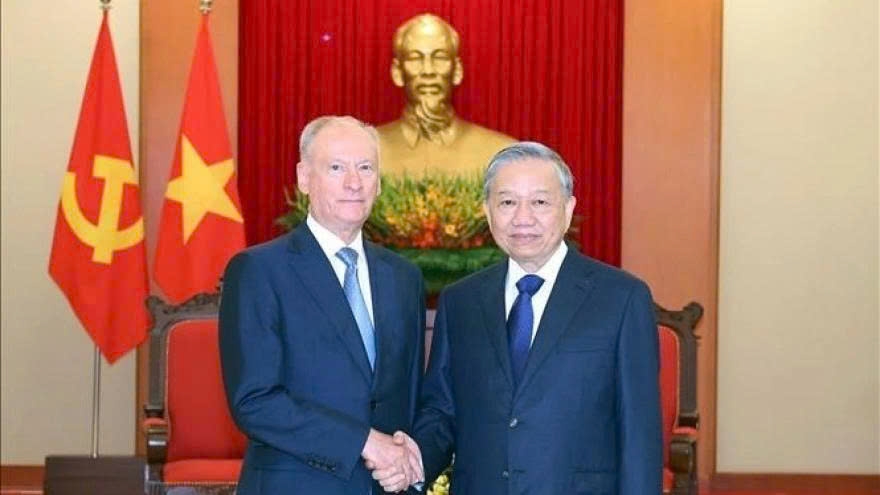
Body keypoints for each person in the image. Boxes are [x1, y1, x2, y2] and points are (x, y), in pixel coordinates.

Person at [412, 142, 663, 494]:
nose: (522, 218)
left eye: (540, 202)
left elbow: (639, 434)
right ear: (487, 211)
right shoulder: (461, 301)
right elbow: (442, 412)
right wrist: (410, 461)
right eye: (507, 202)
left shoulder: (621, 299)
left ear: (568, 207)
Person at [219, 115, 425, 494]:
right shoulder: (258, 271)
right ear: (303, 178)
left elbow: (410, 395)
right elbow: (254, 400)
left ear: (379, 181)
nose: (354, 182)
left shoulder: (403, 277)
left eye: (366, 167)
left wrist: (409, 457)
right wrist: (364, 442)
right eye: (336, 167)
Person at [377, 14, 515, 178]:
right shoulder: (362, 153)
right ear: (397, 72)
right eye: (415, 58)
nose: (428, 71)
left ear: (457, 71)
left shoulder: (500, 155)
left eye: (440, 57)